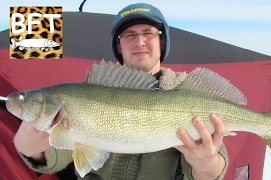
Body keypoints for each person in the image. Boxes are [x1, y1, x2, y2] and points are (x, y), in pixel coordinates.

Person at [14, 3, 228, 180]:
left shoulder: (187, 92)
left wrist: (207, 164)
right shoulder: (90, 92)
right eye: (129, 34)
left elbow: (215, 167)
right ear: (118, 46)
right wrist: (31, 149)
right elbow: (59, 151)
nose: (139, 41)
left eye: (148, 33)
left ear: (162, 41)